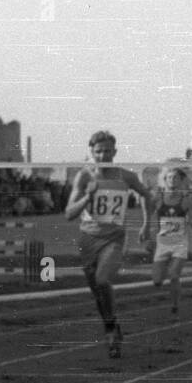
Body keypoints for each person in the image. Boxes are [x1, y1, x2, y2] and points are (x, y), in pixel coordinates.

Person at [65, 130, 152, 358]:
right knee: (97, 292)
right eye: (98, 151)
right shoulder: (84, 177)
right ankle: (111, 326)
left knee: (103, 279)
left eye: (107, 151)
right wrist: (87, 198)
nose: (103, 155)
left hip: (114, 237)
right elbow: (68, 213)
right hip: (88, 238)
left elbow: (147, 195)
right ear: (91, 153)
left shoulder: (126, 177)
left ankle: (111, 331)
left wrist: (146, 225)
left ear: (114, 151)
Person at [148, 167, 192, 317]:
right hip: (162, 243)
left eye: (175, 178)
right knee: (157, 281)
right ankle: (160, 277)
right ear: (165, 181)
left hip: (179, 244)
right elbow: (148, 217)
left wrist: (191, 222)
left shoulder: (187, 200)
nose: (172, 180)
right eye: (169, 178)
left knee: (174, 274)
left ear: (181, 181)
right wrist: (148, 235)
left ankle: (175, 305)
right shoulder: (158, 198)